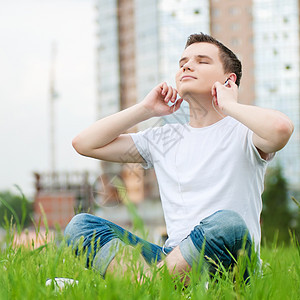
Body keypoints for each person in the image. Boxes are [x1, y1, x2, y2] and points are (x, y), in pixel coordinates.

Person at [64, 33, 294, 282]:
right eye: (183, 61)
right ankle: (155, 285)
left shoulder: (245, 132)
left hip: (232, 263)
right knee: (81, 227)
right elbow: (85, 144)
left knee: (227, 223)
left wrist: (229, 105)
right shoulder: (164, 138)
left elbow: (280, 129)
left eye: (202, 61)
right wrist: (145, 109)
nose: (187, 65)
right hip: (171, 258)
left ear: (229, 80)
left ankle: (145, 286)